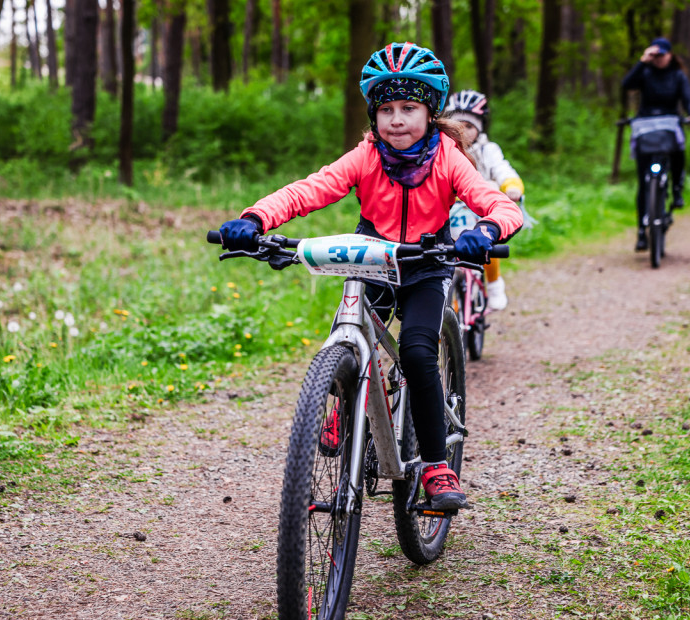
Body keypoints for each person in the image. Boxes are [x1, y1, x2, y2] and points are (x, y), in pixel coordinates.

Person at [218, 42, 523, 510]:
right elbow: (312, 188)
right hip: (372, 255)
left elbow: (496, 201)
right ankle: (344, 396)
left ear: (430, 112)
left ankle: (438, 467)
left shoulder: (447, 156)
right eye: (386, 109)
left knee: (419, 352)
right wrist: (256, 219)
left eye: (408, 108)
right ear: (374, 114)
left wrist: (486, 228)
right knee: (349, 328)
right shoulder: (366, 155)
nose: (396, 119)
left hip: (427, 261)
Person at [442, 89, 524, 310]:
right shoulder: (443, 151)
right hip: (451, 211)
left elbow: (502, 169)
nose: (463, 131)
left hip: (480, 210)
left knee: (485, 244)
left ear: (479, 129)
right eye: (458, 125)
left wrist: (511, 185)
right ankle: (451, 311)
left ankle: (494, 283)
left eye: (469, 126)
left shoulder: (488, 150)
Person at [622, 37, 690, 252]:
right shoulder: (645, 73)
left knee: (678, 151)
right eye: (655, 56)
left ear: (670, 55)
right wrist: (642, 61)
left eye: (662, 55)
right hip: (645, 127)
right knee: (643, 183)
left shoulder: (677, 75)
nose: (658, 60)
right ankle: (642, 231)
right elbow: (626, 85)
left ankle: (677, 190)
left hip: (670, 125)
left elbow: (688, 98)